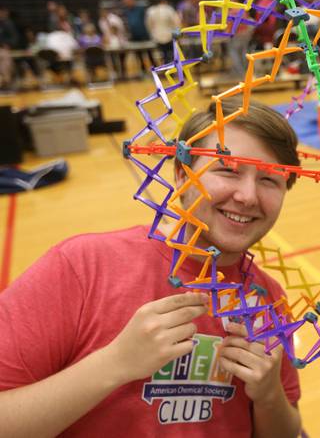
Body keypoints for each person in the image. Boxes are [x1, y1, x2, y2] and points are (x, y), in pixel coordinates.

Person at [0, 99, 303, 437]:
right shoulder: (82, 267)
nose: (248, 196)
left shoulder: (270, 300)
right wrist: (115, 363)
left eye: (270, 180)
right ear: (181, 175)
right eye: (227, 170)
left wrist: (270, 395)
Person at [146, 0, 181, 65]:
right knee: (173, 53)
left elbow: (148, 25)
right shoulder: (169, 9)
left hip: (157, 36)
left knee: (163, 54)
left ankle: (166, 69)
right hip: (170, 35)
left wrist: (153, 33)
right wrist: (178, 33)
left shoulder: (150, 11)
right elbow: (176, 22)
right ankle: (176, 68)